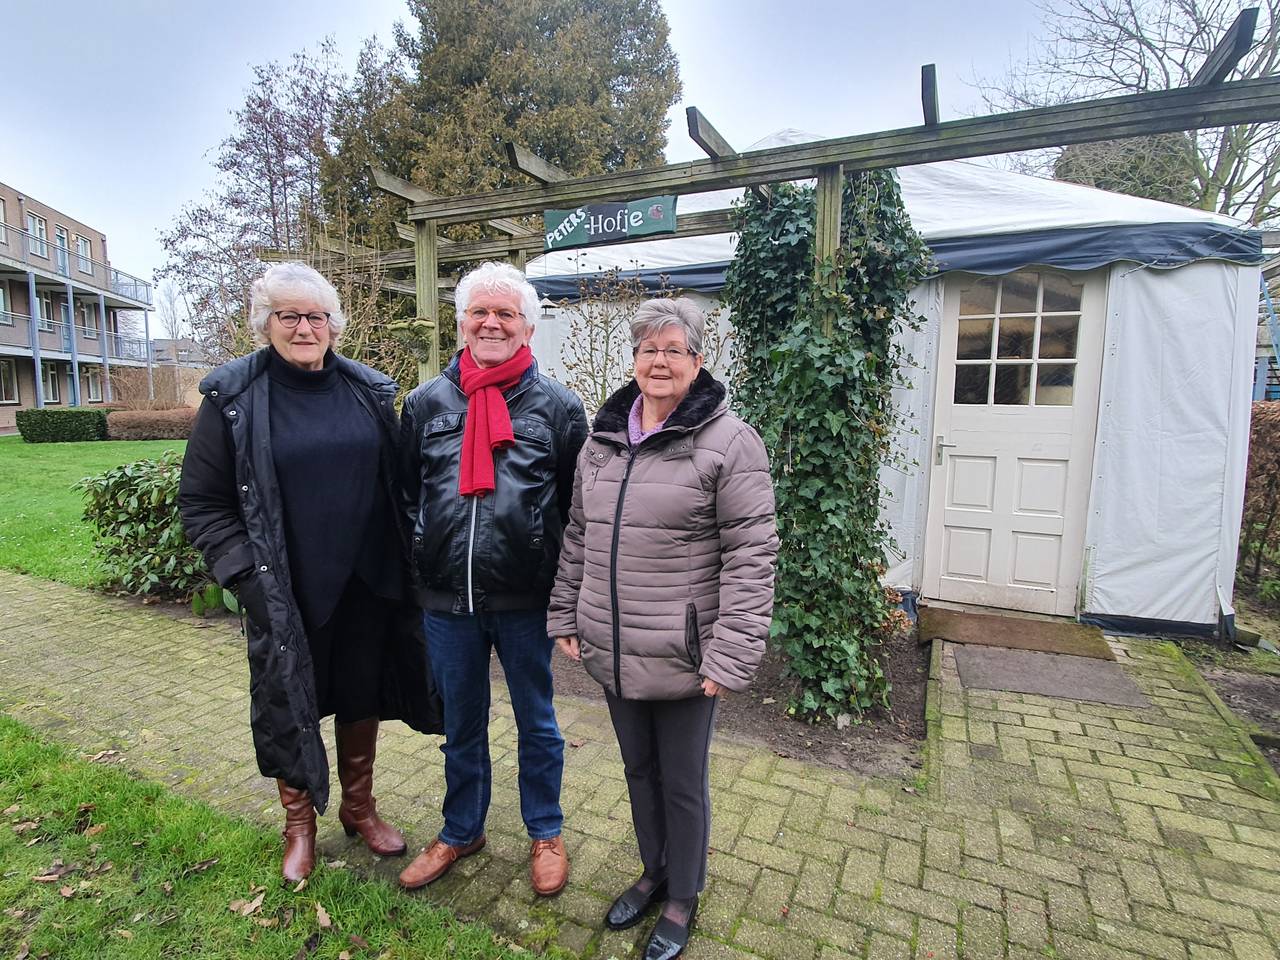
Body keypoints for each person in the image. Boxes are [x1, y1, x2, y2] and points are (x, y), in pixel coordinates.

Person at [179, 261, 442, 882]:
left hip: (368, 583)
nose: (304, 328)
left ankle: (359, 808)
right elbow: (203, 504)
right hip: (285, 587)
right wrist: (245, 576)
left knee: (360, 695)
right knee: (287, 704)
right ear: (265, 323)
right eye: (289, 316)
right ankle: (299, 826)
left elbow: (401, 481)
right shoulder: (234, 399)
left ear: (334, 325)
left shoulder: (368, 390)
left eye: (316, 316)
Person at [547, 298, 778, 960]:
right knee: (638, 770)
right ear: (634, 358)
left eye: (673, 349)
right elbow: (580, 533)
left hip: (683, 651)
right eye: (648, 349)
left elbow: (752, 555)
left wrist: (730, 653)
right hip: (612, 645)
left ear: (698, 362)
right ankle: (654, 871)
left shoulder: (729, 443)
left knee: (681, 779)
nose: (659, 361)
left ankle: (683, 895)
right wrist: (566, 611)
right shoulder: (604, 440)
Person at [397, 261, 587, 897]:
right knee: (462, 724)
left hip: (527, 598)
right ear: (461, 323)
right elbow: (406, 495)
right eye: (480, 311)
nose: (492, 322)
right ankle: (460, 830)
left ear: (528, 326)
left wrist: (565, 592)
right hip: (448, 598)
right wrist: (421, 561)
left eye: (506, 313)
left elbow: (575, 507)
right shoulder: (425, 404)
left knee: (538, 722)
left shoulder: (559, 408)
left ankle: (545, 831)